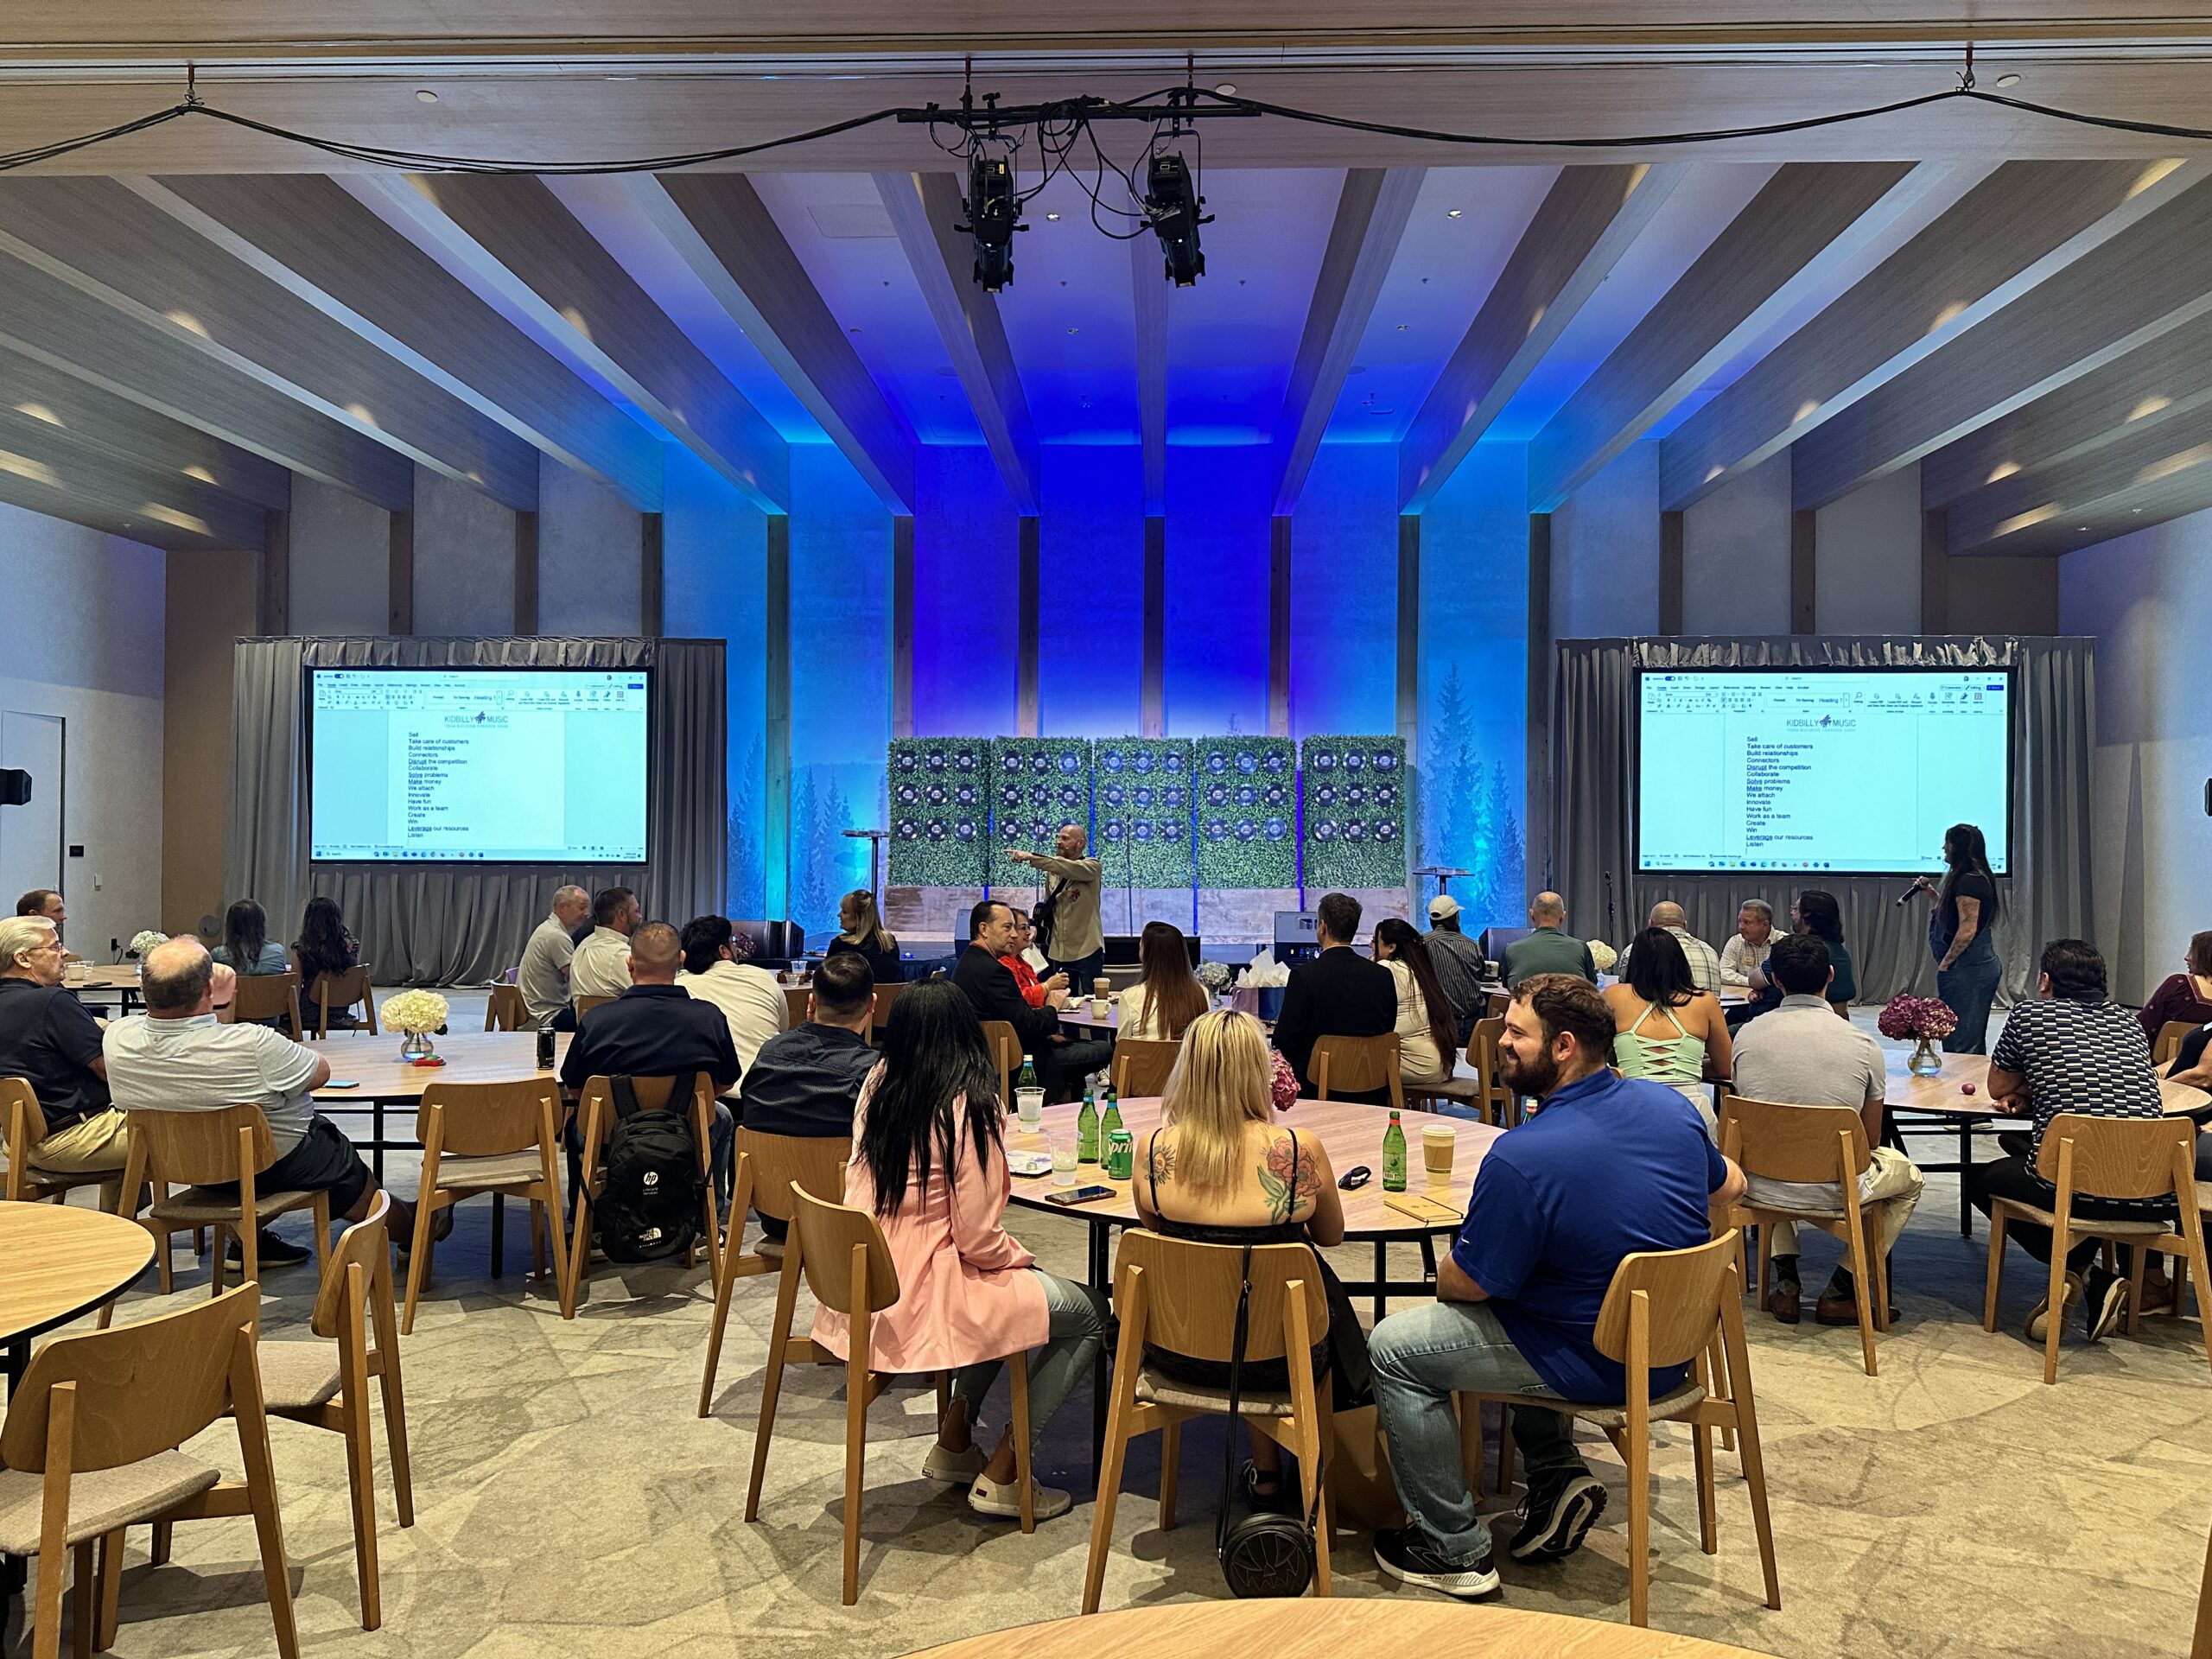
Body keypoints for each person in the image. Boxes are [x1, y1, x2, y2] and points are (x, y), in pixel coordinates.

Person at [1367, 974, 1745, 1597]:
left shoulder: (1523, 1156)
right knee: (1530, 1292)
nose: (1501, 1043)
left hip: (1592, 1362)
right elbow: (1730, 1186)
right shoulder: (1673, 1109)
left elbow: (1468, 1286)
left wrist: (1452, 1265)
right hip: (1671, 1352)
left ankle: (1452, 1549)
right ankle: (1557, 1474)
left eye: (1516, 1033)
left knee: (1395, 1348)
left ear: (1564, 1046)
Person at [816, 982, 1108, 1522]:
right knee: (1089, 1311)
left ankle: (955, 1440)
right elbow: (976, 1236)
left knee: (1009, 1291)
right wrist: (1017, 1259)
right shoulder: (969, 1101)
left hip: (866, 1277)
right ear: (966, 1033)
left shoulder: (878, 1082)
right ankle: (1008, 1470)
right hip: (927, 1289)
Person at [1133, 1008, 1370, 1508]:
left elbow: (1159, 1238)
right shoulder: (1296, 1149)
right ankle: (1314, 1474)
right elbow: (1331, 1236)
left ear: (1187, 1069)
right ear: (1259, 1071)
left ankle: (1266, 1471)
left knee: (1230, 1293)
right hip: (1280, 1357)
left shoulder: (1153, 1151)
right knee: (1273, 1302)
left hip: (1176, 1352)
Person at [105, 938, 424, 1265]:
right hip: (272, 1165)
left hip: (184, 1166)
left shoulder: (118, 1038)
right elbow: (319, 1073)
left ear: (145, 989)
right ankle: (414, 1229)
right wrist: (223, 1002)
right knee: (341, 1165)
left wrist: (217, 1005)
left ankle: (248, 1245)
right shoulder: (254, 1044)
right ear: (208, 989)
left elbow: (203, 1041)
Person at [1969, 939, 2176, 1343]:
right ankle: (2091, 1276)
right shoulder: (2129, 1023)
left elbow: (1998, 1087)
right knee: (2043, 1158)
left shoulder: (2029, 1014)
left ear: (2045, 980)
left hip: (2075, 1181)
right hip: (2147, 1184)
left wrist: (2029, 1088)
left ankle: (2082, 1273)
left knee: (1979, 1180)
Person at [1731, 932, 1924, 1325]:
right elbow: (1869, 1140)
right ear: (1831, 975)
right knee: (1910, 1179)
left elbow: (1751, 1112)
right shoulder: (1862, 1044)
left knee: (1776, 1146)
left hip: (1757, 1183)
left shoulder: (1746, 1035)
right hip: (1835, 1186)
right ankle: (1841, 1287)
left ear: (1776, 980)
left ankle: (1787, 1282)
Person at [561, 920, 740, 1205]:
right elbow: (726, 1081)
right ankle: (707, 1213)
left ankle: (586, 1216)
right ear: (681, 960)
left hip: (609, 1138)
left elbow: (574, 1087)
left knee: (577, 1127)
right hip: (686, 1135)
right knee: (723, 1117)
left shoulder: (597, 1020)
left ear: (630, 963)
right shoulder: (710, 1018)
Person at [736, 950, 879, 1242]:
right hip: (844, 1221)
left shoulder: (769, 1053)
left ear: (811, 1003)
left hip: (773, 1215)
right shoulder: (874, 1073)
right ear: (872, 1005)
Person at [0, 914, 127, 1177]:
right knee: (171, 1129)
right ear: (23, 959)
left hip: (19, 1142)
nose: (66, 952)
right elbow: (109, 1072)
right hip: (74, 1139)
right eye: (55, 946)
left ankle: (125, 1204)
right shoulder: (52, 1001)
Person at [952, 900, 1109, 1103]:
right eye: (1007, 928)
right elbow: (1029, 1025)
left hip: (985, 1056)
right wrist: (1052, 1006)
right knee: (1103, 1050)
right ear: (984, 929)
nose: (1015, 934)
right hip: (1017, 1060)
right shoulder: (995, 972)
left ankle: (1070, 1106)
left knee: (1074, 1055)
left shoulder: (965, 964)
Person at [1602, 926, 1732, 1135]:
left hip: (1634, 1105)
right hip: (1691, 1108)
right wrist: (1689, 1069)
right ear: (1679, 961)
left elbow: (1598, 1057)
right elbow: (1725, 1067)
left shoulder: (1614, 996)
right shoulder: (1705, 1001)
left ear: (1635, 962)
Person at [1270, 891, 1397, 1100]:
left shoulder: (1304, 976)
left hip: (1316, 1089)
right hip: (1372, 1090)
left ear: (1322, 927)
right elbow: (1387, 1028)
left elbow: (1285, 1041)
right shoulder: (1383, 976)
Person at [1909, 822, 2003, 1053]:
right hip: (1968, 970)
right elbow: (1954, 913)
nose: (1943, 848)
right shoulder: (1968, 879)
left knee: (1963, 1041)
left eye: (1947, 844)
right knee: (1958, 1037)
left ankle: (1964, 1076)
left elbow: (1967, 929)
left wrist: (1946, 965)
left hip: (1970, 971)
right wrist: (1931, 893)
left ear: (1958, 848)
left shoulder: (1970, 880)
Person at [675, 914, 788, 1077]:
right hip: (770, 1083)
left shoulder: (679, 988)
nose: (736, 948)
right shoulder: (762, 977)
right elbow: (783, 1030)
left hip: (711, 1088)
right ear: (724, 951)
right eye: (732, 943)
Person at [1007, 823, 1105, 994]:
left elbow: (1066, 867)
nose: (1058, 842)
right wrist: (1036, 927)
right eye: (1058, 837)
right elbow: (1049, 904)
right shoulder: (1052, 872)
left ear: (1080, 843)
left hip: (1086, 949)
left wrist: (1031, 857)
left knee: (1091, 999)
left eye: (1065, 839)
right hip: (1058, 950)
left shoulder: (1092, 867)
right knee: (1061, 998)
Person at [1739, 890, 1855, 1025]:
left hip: (1774, 1025)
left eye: (1795, 910)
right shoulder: (1841, 954)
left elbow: (1754, 980)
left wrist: (1761, 988)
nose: (1792, 914)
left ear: (1807, 916)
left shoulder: (1797, 949)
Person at [1372, 918, 1459, 1089]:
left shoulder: (1387, 969)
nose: (1371, 946)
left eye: (1375, 942)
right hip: (1438, 1062)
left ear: (1391, 947)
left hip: (1415, 1065)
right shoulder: (1419, 969)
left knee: (1353, 1064)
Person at [1118, 919, 1206, 1040]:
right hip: (1187, 1054)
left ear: (1145, 955)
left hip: (1140, 1054)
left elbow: (1122, 1046)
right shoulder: (1201, 994)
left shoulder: (1130, 997)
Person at [518, 885, 591, 1028]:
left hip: (536, 1010)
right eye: (582, 908)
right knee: (596, 1021)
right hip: (546, 1016)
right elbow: (576, 979)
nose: (587, 913)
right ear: (563, 908)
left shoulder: (547, 928)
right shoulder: (556, 936)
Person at [1422, 895, 1489, 1044]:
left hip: (1440, 1023)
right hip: (1474, 1021)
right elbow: (1480, 975)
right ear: (1456, 918)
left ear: (1432, 921)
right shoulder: (1472, 945)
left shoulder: (1422, 944)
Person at [1619, 902, 1721, 995]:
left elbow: (1625, 995)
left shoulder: (1633, 951)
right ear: (1685, 925)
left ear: (1650, 924)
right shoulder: (1709, 951)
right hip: (1707, 1008)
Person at [290, 895, 361, 1027]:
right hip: (340, 1008)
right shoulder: (351, 946)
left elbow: (295, 987)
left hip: (310, 1012)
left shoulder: (301, 949)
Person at [1499, 893, 1597, 988]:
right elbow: (1592, 985)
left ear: (1532, 915)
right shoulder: (1581, 948)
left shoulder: (1510, 950)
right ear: (1563, 917)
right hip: (1570, 1000)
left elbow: (1507, 985)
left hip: (1527, 1000)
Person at [2138, 931, 2212, 1043]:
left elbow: (2143, 1026)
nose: (2186, 957)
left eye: (2192, 952)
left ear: (2206, 957)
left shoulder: (2179, 985)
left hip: (2156, 1053)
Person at [569, 887, 640, 1003]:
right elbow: (649, 992)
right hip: (616, 1015)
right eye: (636, 911)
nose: (640, 916)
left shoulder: (583, 945)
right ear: (621, 915)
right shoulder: (619, 954)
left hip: (584, 1015)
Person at [826, 888, 904, 984]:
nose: (839, 915)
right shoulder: (889, 942)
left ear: (860, 918)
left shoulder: (839, 945)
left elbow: (825, 982)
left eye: (845, 912)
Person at [996, 908, 1065, 1010]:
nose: (1028, 932)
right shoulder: (1003, 964)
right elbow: (1019, 998)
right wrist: (1047, 986)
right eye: (1023, 928)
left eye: (1028, 927)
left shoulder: (1024, 964)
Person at [212, 899, 289, 976]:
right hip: (271, 985)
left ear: (231, 926)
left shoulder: (218, 955)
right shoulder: (278, 952)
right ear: (261, 924)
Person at [1719, 899, 1776, 989]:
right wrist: (1752, 982)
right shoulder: (1736, 941)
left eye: (1746, 922)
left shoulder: (1783, 942)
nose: (1741, 927)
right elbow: (1723, 972)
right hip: (1742, 995)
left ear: (1765, 925)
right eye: (1740, 921)